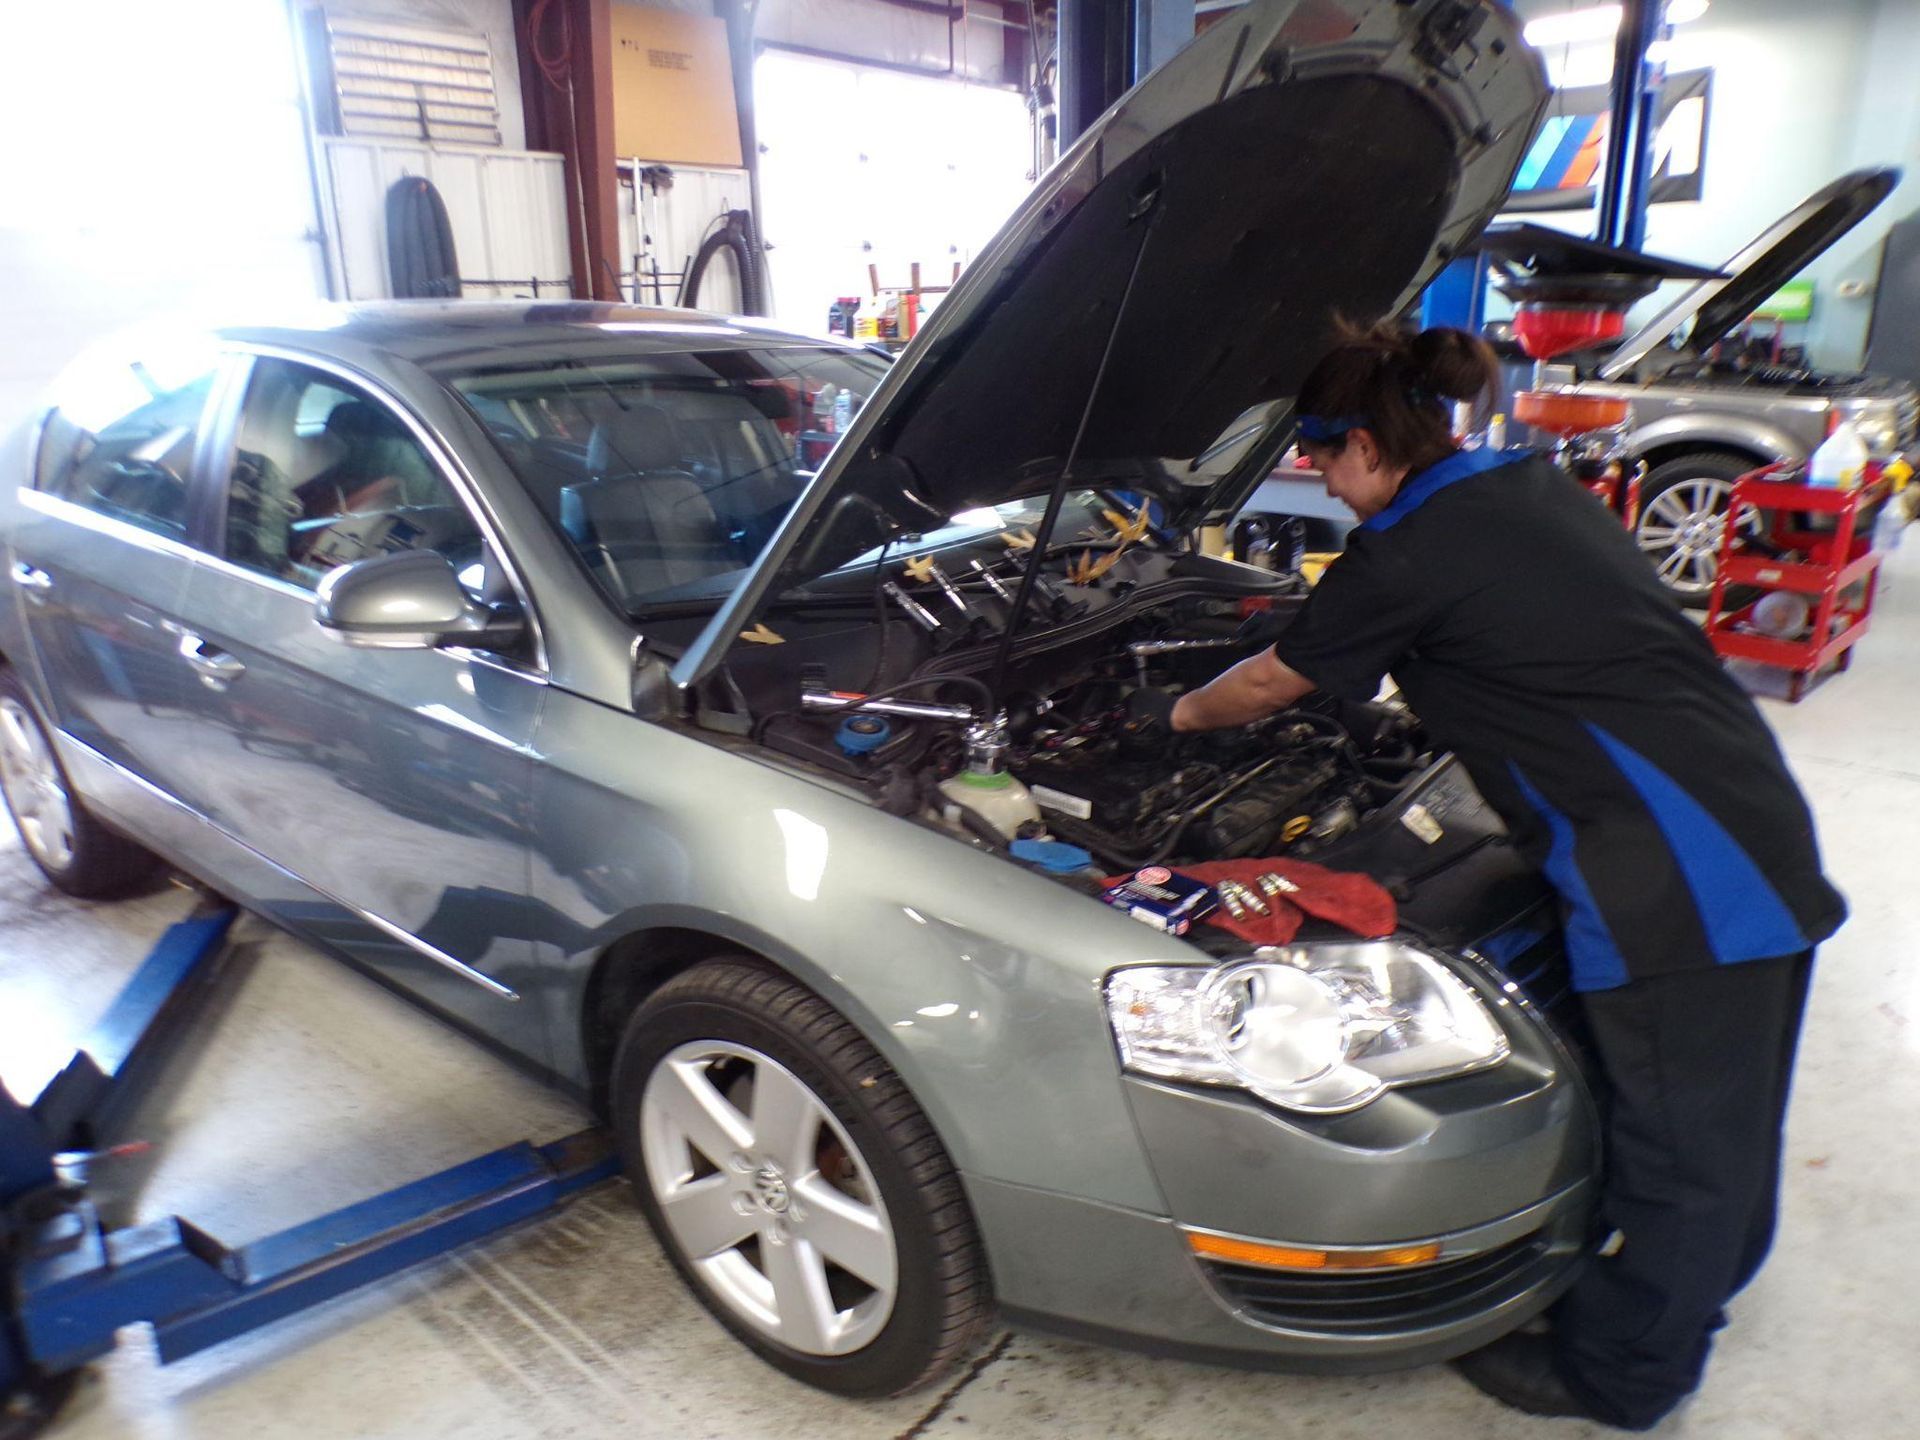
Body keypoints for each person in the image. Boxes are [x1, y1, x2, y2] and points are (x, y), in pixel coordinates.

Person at [1155, 320, 1846, 1431]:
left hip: (1677, 871)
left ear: (1368, 447)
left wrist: (1170, 715)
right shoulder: (1518, 490)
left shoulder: (1411, 552)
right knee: (1724, 1109)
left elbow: (1272, 684)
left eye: (1324, 458)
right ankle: (1697, 1278)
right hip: (1734, 809)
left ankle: (1625, 1374)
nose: (1321, 481)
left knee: (1682, 1140)